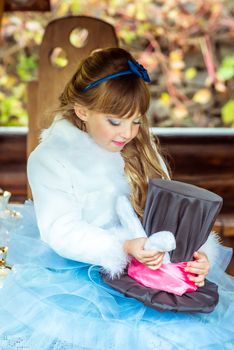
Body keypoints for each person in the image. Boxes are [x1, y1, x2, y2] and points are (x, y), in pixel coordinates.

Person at [0, 47, 233, 349]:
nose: (128, 133)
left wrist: (192, 257)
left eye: (136, 121)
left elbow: (168, 218)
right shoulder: (52, 158)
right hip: (84, 272)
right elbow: (62, 230)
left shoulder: (142, 151)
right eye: (115, 122)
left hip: (150, 271)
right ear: (82, 111)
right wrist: (123, 247)